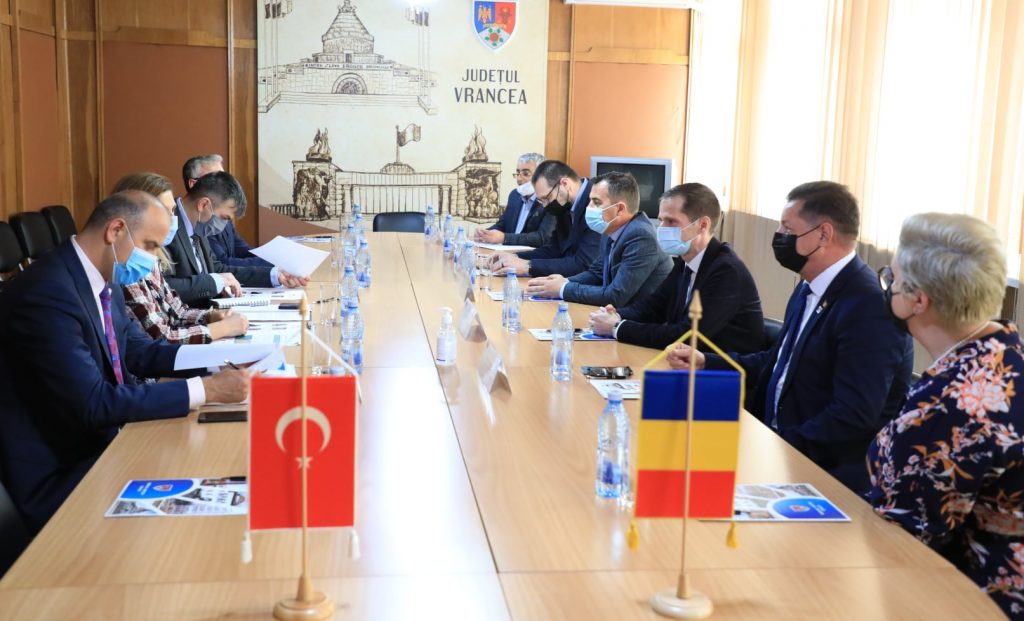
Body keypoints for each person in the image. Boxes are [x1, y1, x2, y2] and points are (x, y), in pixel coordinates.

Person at [0, 191, 250, 532]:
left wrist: (225, 359)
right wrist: (207, 390)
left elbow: (140, 351)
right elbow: (95, 403)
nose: (153, 260)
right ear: (116, 230)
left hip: (109, 445)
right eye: (149, 246)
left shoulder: (103, 277)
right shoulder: (47, 293)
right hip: (64, 476)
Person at [666, 181, 913, 493]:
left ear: (823, 234)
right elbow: (777, 362)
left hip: (825, 477)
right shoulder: (808, 287)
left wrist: (772, 445)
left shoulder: (867, 305)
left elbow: (853, 415)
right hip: (779, 452)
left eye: (787, 228)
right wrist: (706, 361)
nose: (778, 235)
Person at [866, 213, 1024, 618]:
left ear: (918, 300)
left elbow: (906, 538)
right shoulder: (1007, 351)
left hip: (971, 600)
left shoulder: (948, 406)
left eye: (891, 278)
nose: (887, 286)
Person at [590, 183, 764, 352]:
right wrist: (617, 314)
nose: (661, 228)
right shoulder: (686, 259)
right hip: (684, 362)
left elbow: (686, 336)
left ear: (703, 225)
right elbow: (654, 306)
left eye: (671, 221)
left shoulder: (726, 271)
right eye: (661, 220)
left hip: (722, 368)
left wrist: (618, 327)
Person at [113, 172, 249, 344]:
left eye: (173, 211)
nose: (173, 219)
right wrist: (220, 329)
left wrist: (210, 316)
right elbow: (161, 337)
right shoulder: (128, 267)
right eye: (166, 211)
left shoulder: (154, 258)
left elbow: (177, 312)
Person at [525, 171, 672, 307]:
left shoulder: (640, 236)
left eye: (596, 202)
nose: (588, 207)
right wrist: (563, 281)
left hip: (641, 321)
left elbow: (615, 296)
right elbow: (596, 273)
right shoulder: (610, 229)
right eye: (590, 200)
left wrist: (563, 289)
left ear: (620, 209)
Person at [164, 171, 308, 306]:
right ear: (203, 204)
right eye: (224, 218)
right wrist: (214, 282)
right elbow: (163, 287)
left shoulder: (198, 225)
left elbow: (218, 269)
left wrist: (275, 275)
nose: (223, 226)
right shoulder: (166, 226)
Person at [488, 160, 599, 278]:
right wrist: (514, 257)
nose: (545, 206)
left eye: (547, 198)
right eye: (541, 200)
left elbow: (583, 264)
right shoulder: (564, 203)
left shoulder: (596, 204)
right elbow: (553, 250)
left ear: (565, 184)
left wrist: (528, 266)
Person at [182, 154, 273, 269]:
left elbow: (241, 249)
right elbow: (220, 264)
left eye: (224, 177)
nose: (224, 183)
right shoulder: (201, 223)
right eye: (215, 177)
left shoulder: (222, 216)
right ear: (193, 184)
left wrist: (274, 259)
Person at [474, 152, 554, 248]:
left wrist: (505, 238)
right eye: (518, 173)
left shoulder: (551, 200)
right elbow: (502, 225)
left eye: (525, 174)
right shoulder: (514, 195)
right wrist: (485, 233)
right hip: (508, 252)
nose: (519, 179)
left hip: (534, 255)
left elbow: (542, 238)